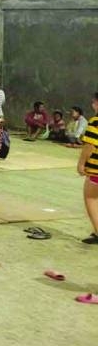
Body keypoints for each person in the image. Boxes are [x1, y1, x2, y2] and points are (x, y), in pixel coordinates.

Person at [78, 92, 98, 245]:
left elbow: (89, 146)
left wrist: (81, 163)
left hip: (96, 169)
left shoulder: (95, 122)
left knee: (91, 198)